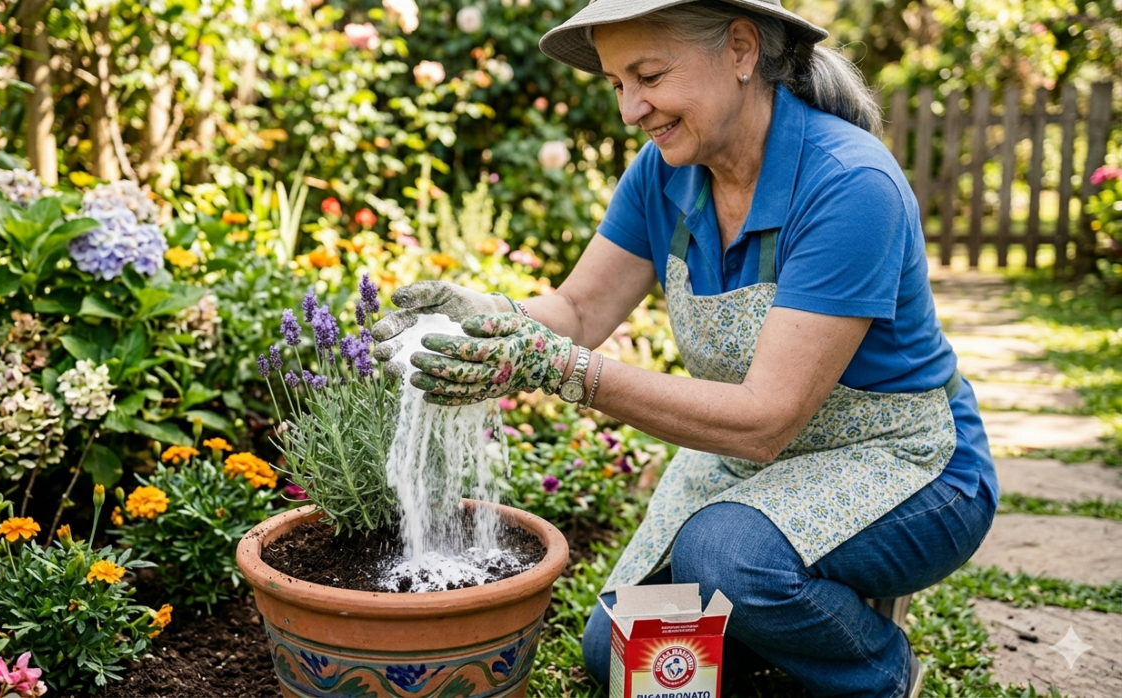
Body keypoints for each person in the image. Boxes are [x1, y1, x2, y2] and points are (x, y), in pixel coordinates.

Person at [371, 0, 997, 694]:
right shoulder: (664, 172)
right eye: (616, 83)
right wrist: (488, 315)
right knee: (623, 654)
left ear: (739, 49)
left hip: (906, 467)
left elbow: (764, 420)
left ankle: (877, 666)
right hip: (749, 470)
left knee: (726, 557)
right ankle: (797, 613)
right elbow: (579, 308)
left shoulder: (849, 184)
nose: (631, 109)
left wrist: (566, 371)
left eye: (649, 75)